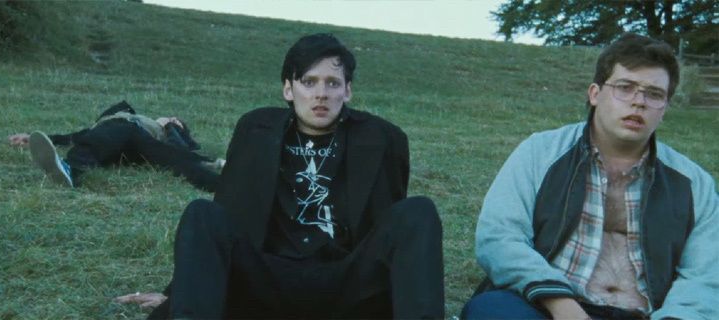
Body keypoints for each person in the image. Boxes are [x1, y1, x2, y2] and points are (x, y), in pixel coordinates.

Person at [119, 33, 445, 319]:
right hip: (268, 279)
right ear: (288, 89)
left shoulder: (382, 138)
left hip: (346, 281)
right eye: (309, 82)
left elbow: (392, 223)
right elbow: (226, 212)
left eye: (332, 83)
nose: (321, 94)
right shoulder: (256, 130)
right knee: (201, 213)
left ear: (348, 91)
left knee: (418, 211)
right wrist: (179, 295)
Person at [462, 33, 719, 319]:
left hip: (644, 315)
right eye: (626, 87)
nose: (639, 102)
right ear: (595, 94)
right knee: (493, 310)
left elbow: (705, 276)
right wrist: (560, 302)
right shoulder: (541, 151)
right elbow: (499, 236)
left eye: (654, 94)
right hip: (549, 307)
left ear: (665, 109)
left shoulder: (694, 184)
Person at [9, 100, 222, 192]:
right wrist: (35, 138)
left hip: (137, 138)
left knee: (175, 159)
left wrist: (169, 127)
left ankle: (220, 181)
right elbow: (77, 136)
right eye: (172, 118)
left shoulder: (166, 129)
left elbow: (180, 151)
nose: (173, 117)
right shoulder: (119, 120)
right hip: (111, 137)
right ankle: (69, 169)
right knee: (92, 137)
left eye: (178, 120)